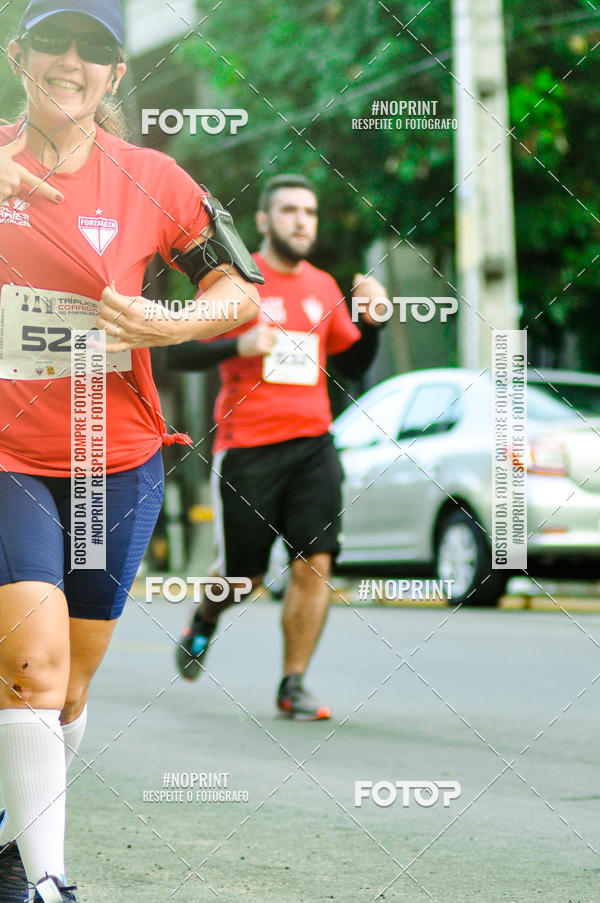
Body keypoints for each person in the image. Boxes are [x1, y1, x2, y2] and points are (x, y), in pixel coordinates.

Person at [0, 2, 260, 901]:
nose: (70, 62)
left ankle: (15, 831)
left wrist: (171, 317)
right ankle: (48, 883)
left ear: (114, 76)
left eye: (94, 52)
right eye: (54, 43)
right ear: (18, 54)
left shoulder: (153, 177)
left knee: (67, 687)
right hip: (8, 453)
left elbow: (238, 292)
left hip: (115, 454)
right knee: (29, 665)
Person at [168, 174, 389, 720]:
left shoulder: (322, 286)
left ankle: (293, 683)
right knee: (244, 576)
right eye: (289, 211)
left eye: (310, 213)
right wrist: (238, 341)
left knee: (315, 562)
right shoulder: (236, 283)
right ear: (264, 222)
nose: (301, 222)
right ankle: (206, 616)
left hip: (314, 445)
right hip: (248, 449)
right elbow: (173, 353)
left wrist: (373, 320)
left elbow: (353, 364)